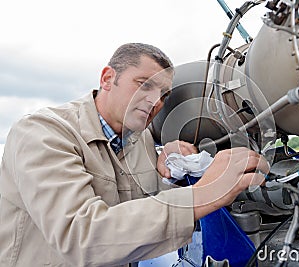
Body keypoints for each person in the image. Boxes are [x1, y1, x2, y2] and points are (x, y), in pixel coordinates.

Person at [0, 43, 269, 267]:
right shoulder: (42, 133)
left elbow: (142, 207)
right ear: (107, 79)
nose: (155, 102)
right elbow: (79, 236)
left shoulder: (143, 141)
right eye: (143, 85)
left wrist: (174, 168)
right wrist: (205, 193)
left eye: (163, 94)